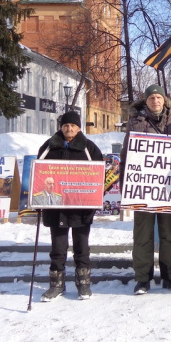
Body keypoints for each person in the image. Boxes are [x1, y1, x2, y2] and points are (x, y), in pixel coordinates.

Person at [122, 84, 171, 295]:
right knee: (143, 235)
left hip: (168, 190)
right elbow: (126, 154)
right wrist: (127, 185)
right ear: (146, 101)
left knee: (169, 235)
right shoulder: (135, 122)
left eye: (159, 97)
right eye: (151, 98)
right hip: (143, 189)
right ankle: (142, 278)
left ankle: (170, 276)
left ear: (164, 99)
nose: (155, 101)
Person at [37, 111, 104, 301]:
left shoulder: (89, 148)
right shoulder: (49, 146)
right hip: (56, 208)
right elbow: (38, 171)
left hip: (80, 208)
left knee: (81, 247)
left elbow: (99, 175)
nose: (69, 129)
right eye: (66, 125)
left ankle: (83, 284)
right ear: (61, 127)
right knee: (58, 248)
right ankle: (56, 285)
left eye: (73, 125)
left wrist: (94, 195)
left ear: (79, 127)